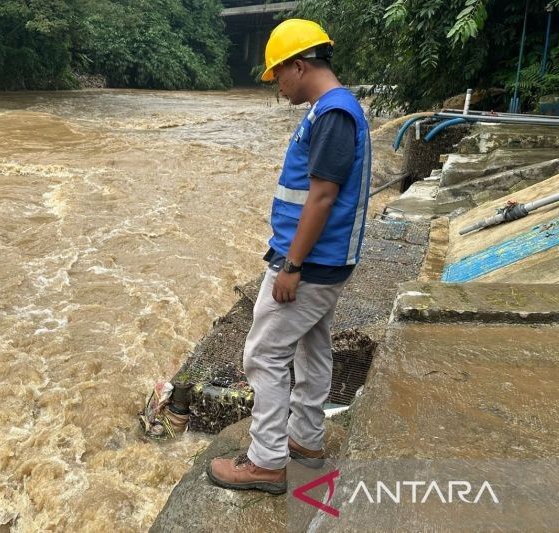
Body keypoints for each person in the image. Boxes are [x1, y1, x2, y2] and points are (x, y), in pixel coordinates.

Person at [206, 19, 371, 495]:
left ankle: (265, 462)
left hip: (311, 263)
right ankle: (305, 439)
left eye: (279, 74)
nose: (278, 87)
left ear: (300, 66)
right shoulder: (332, 110)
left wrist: (291, 266)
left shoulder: (334, 115)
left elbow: (321, 197)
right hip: (325, 261)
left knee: (264, 353)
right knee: (311, 344)